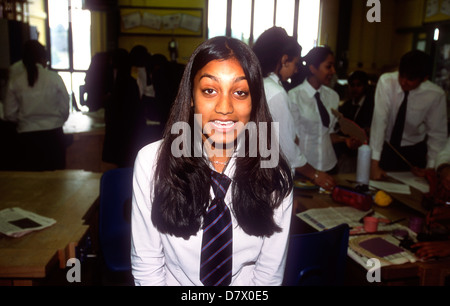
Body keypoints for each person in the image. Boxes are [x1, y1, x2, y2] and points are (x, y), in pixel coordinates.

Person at [131, 36, 294, 286]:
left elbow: (269, 274)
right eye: (209, 90)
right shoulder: (151, 163)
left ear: (254, 101)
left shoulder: (274, 175)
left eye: (240, 92)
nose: (225, 107)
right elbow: (148, 263)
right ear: (192, 96)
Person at [252, 27, 335, 190]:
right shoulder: (276, 93)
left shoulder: (257, 84)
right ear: (284, 60)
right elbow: (287, 149)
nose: (297, 70)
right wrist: (315, 174)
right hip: (271, 177)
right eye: (295, 64)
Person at [369, 50, 448, 180]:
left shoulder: (435, 95)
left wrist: (430, 168)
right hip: (386, 147)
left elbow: (437, 135)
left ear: (424, 78)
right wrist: (374, 164)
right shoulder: (386, 82)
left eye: (410, 79)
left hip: (413, 151)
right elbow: (379, 123)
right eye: (401, 75)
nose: (403, 82)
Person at [3, 40, 70, 171]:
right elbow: (64, 108)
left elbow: (9, 113)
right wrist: (57, 120)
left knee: (30, 184)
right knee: (56, 183)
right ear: (43, 58)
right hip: (53, 137)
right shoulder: (54, 78)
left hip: (27, 139)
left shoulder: (15, 81)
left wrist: (25, 119)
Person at [288, 46, 340, 174]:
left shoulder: (333, 96)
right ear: (313, 68)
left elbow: (328, 133)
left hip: (330, 165)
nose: (333, 71)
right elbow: (292, 139)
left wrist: (346, 140)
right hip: (305, 168)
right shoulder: (294, 96)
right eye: (328, 66)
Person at [102, 48, 147, 168]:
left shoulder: (123, 81)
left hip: (122, 130)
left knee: (122, 163)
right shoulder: (130, 80)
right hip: (128, 131)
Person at [334, 70, 375, 173]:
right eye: (352, 85)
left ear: (365, 86)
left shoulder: (372, 105)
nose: (355, 88)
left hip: (365, 152)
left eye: (358, 85)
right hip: (347, 152)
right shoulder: (346, 106)